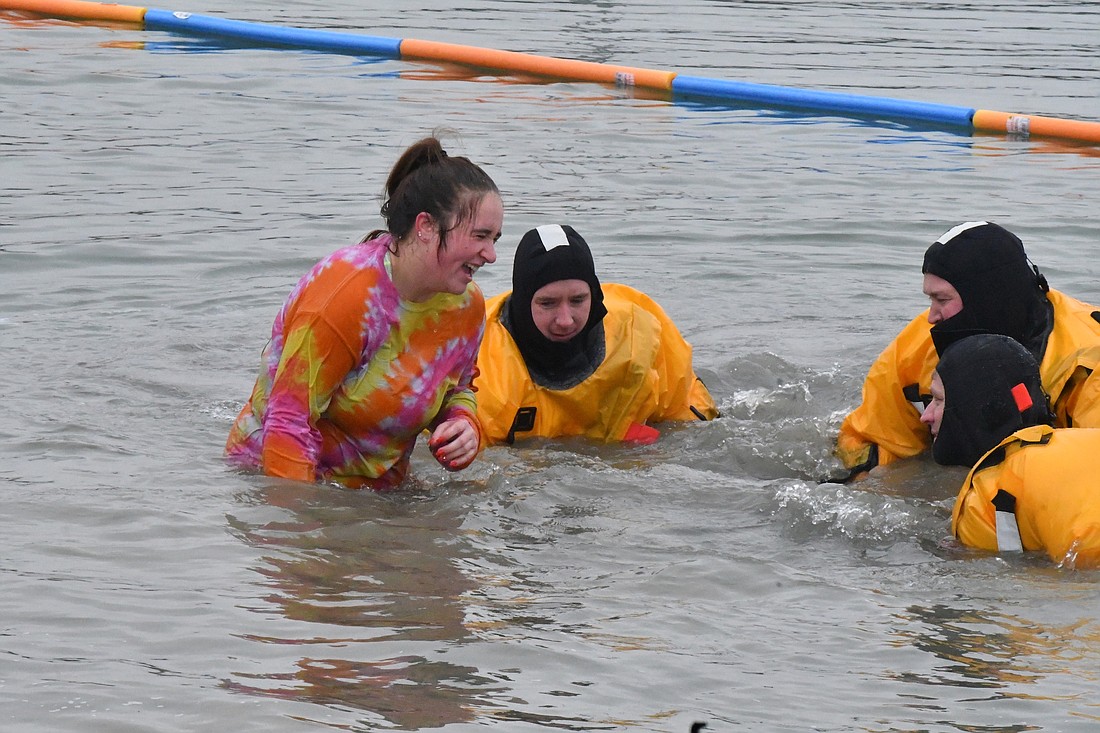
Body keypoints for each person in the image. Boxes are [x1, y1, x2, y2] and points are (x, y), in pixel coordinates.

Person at [225, 136, 503, 489]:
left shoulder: (466, 305)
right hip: (276, 475)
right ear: (426, 227)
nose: (490, 255)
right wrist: (291, 530)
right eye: (480, 236)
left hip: (380, 491)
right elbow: (289, 419)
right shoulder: (348, 294)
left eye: (495, 238)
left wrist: (464, 424)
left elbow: (458, 387)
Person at [836, 220, 1100, 477]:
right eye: (930, 299)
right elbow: (870, 440)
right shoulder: (918, 347)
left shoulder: (1088, 360)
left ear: (987, 297)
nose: (932, 317)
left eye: (942, 299)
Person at [473, 224, 718, 446]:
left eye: (578, 300)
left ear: (594, 294)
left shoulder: (638, 330)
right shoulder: (479, 358)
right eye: (548, 303)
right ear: (523, 303)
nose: (565, 320)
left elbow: (690, 417)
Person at [921, 333, 1100, 568]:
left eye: (937, 400)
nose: (926, 416)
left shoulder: (1007, 479)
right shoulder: (1077, 443)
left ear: (973, 406)